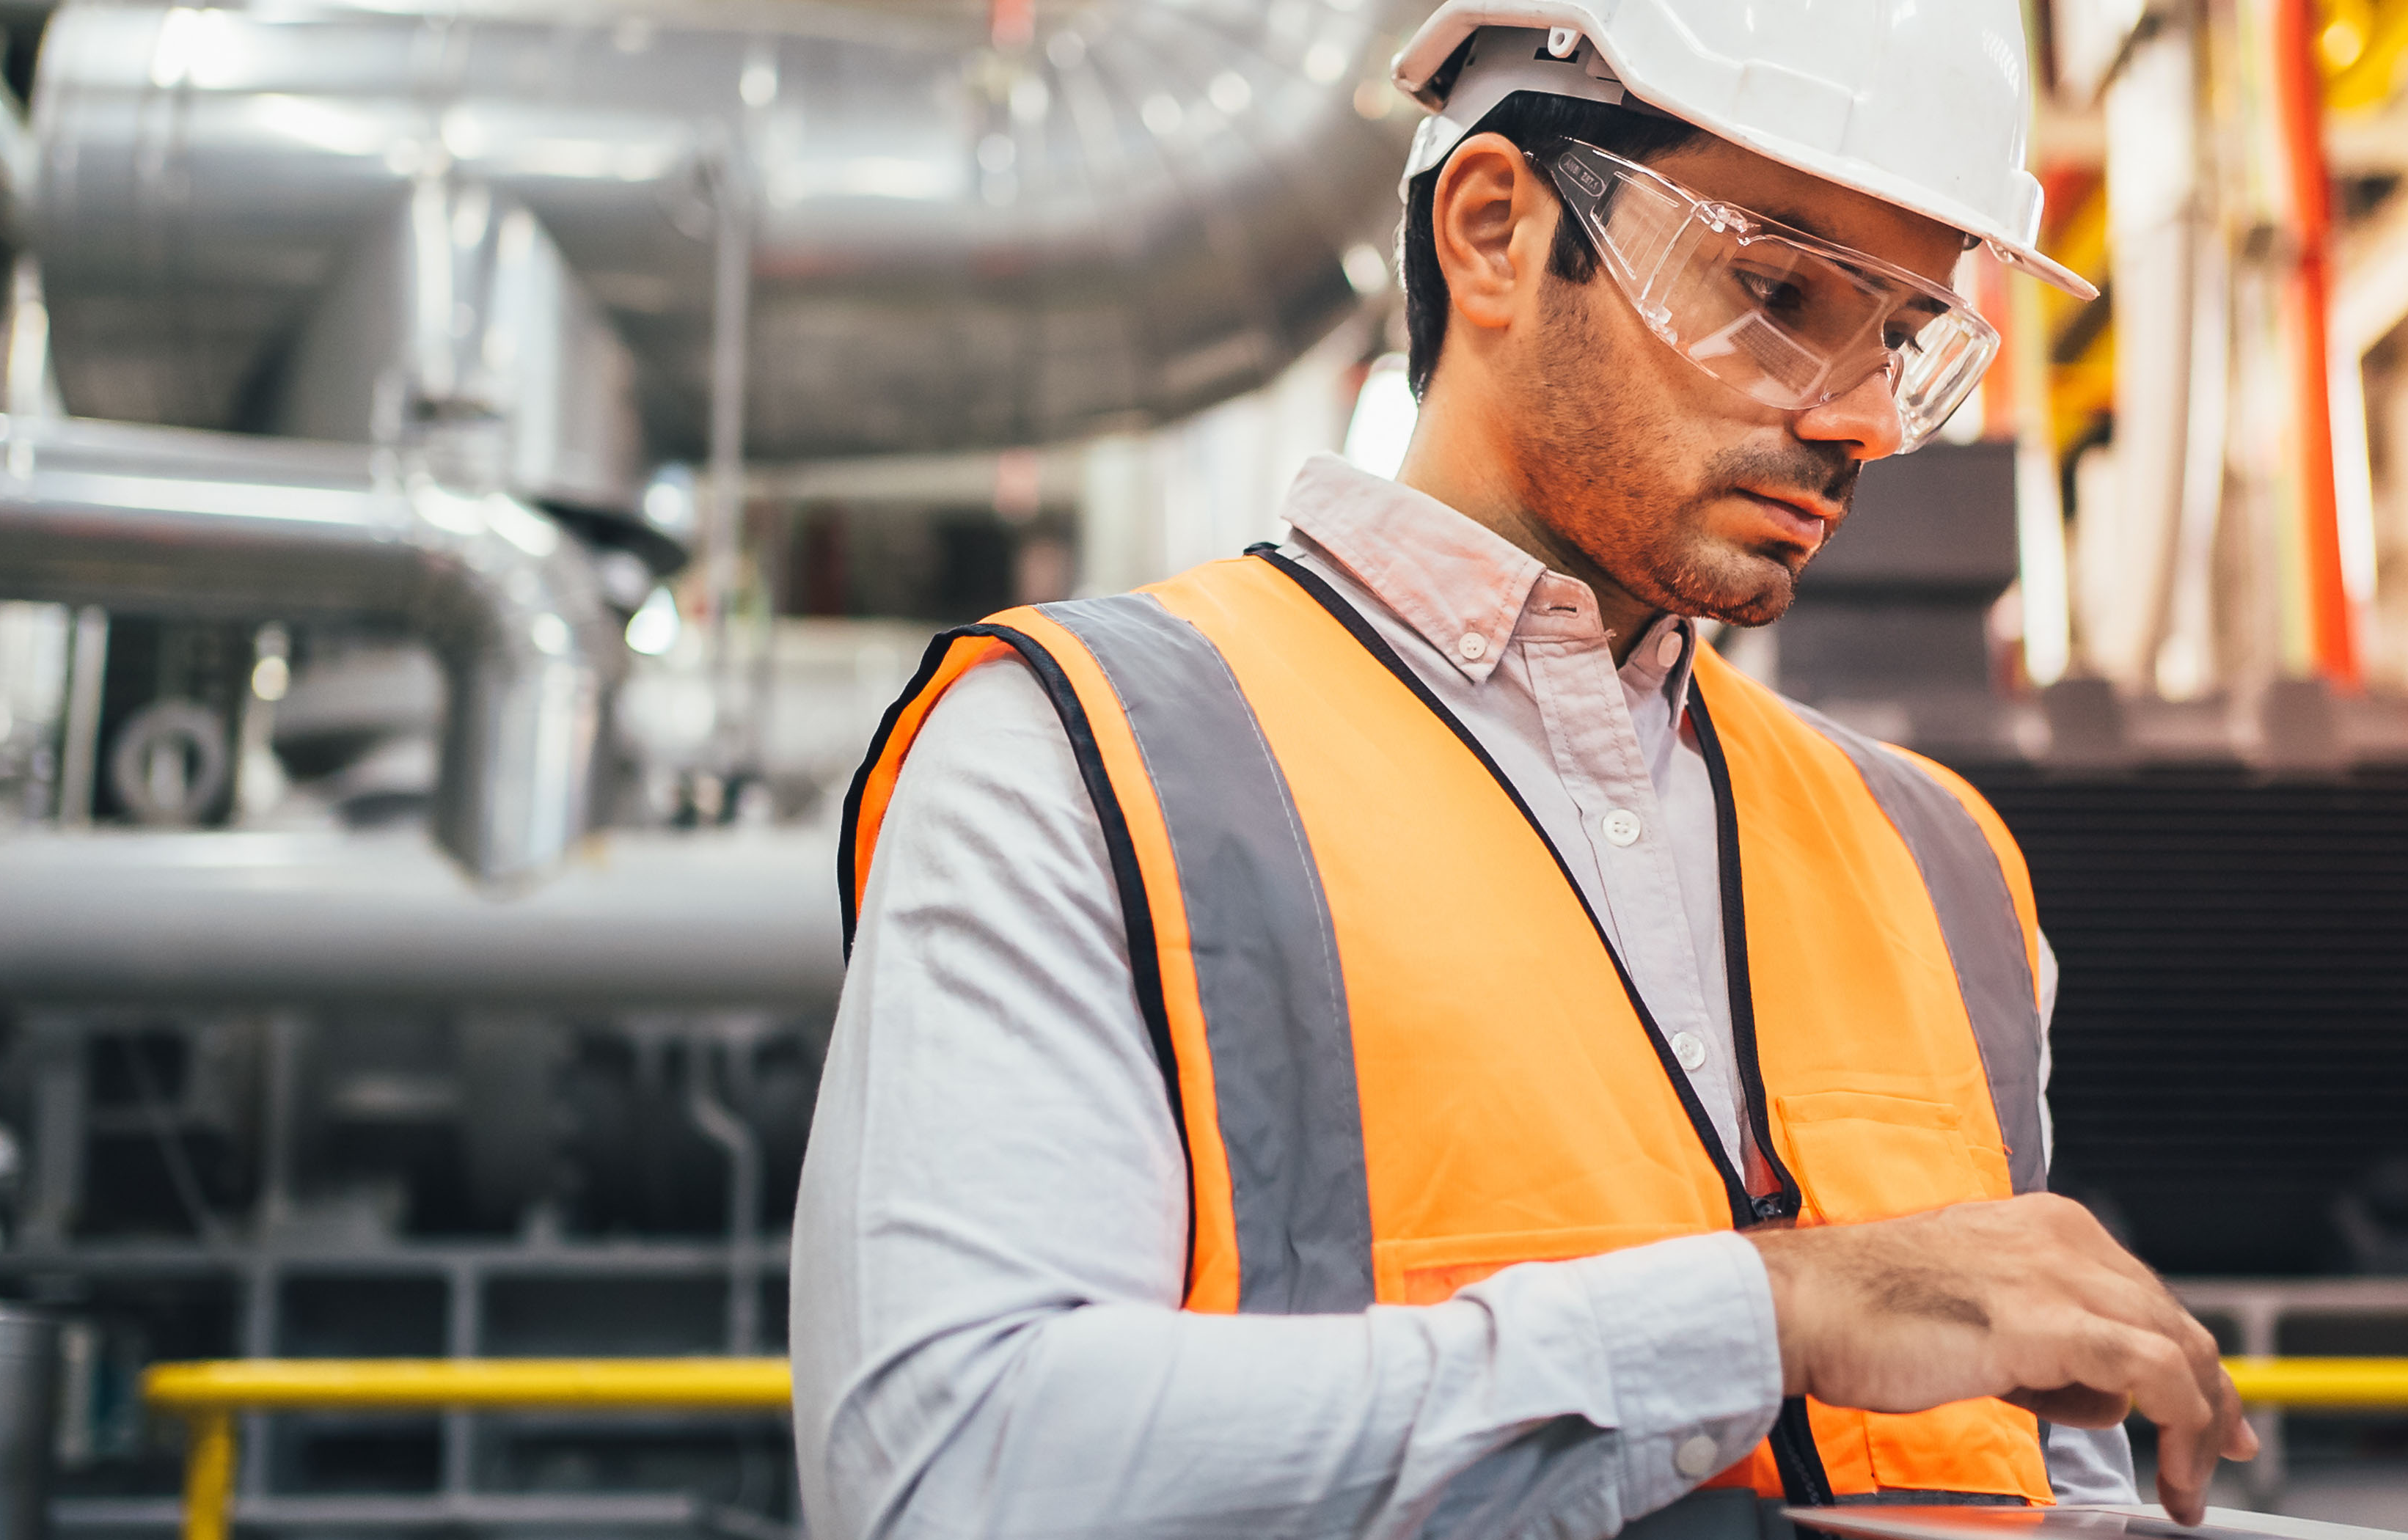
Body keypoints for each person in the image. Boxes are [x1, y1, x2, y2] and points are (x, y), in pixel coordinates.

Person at [792, 2, 2257, 1535]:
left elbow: (2049, 1482)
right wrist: (1762, 1317)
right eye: (1776, 291)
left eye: (1901, 334)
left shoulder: (1942, 865)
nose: (1863, 419)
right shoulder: (1085, 757)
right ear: (1494, 229)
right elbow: (941, 1476)